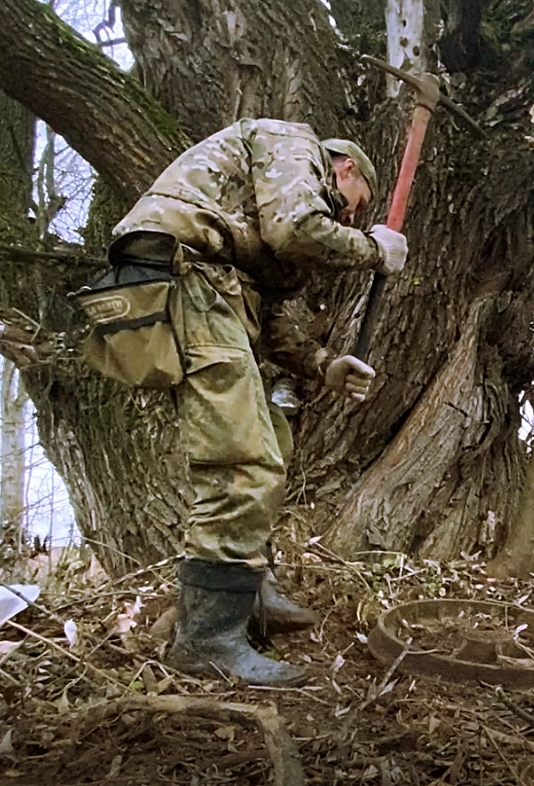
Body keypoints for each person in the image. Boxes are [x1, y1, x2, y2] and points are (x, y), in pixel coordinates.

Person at [108, 119, 407, 686]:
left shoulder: (254, 219)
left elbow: (271, 317)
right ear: (344, 169)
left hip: (211, 291)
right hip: (186, 280)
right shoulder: (294, 144)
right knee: (242, 461)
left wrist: (324, 365)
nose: (346, 218)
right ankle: (207, 640)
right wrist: (374, 249)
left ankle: (249, 595)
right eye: (353, 205)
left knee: (273, 437)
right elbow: (297, 228)